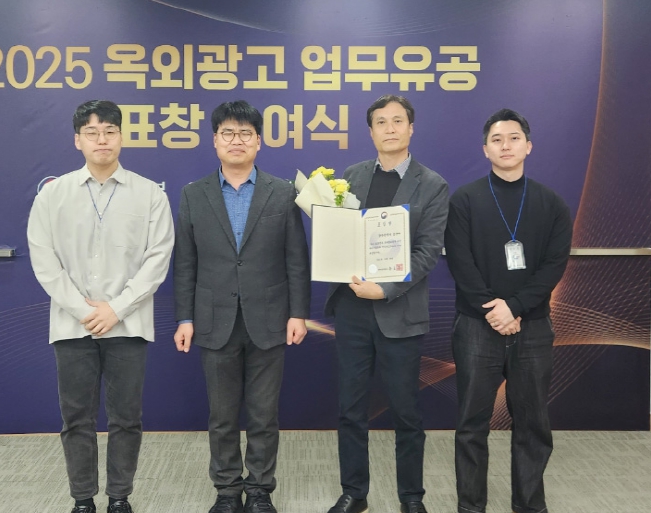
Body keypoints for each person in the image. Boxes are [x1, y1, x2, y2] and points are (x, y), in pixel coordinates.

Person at [27, 100, 174, 513]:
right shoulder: (53, 195)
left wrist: (116, 309)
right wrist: (83, 310)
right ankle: (82, 499)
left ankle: (120, 497)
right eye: (91, 133)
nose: (102, 139)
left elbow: (158, 258)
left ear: (122, 137)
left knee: (126, 417)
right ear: (78, 140)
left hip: (128, 325)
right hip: (72, 326)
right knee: (76, 418)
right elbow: (44, 260)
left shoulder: (149, 194)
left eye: (110, 131)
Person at [173, 100, 311, 513]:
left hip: (270, 317)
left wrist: (298, 313)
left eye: (246, 133)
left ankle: (260, 490)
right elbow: (185, 263)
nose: (237, 140)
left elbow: (296, 259)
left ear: (259, 141)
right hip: (214, 318)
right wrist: (185, 317)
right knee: (222, 415)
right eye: (228, 133)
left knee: (264, 414)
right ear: (215, 140)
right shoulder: (194, 194)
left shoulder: (282, 192)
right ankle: (228, 491)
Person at [324, 95, 449, 513]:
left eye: (398, 121)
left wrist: (387, 289)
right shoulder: (352, 176)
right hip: (352, 308)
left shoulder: (432, 184)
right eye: (381, 122)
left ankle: (411, 497)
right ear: (371, 131)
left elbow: (428, 252)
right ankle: (354, 492)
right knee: (350, 408)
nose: (390, 128)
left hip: (399, 311)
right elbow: (340, 236)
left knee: (406, 412)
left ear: (411, 128)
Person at [444, 108, 572, 513]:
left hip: (532, 327)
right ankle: (471, 506)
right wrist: (494, 310)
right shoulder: (464, 200)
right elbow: (460, 262)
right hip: (476, 326)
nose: (505, 146)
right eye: (496, 140)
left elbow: (553, 265)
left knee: (533, 425)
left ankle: (529, 505)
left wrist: (514, 307)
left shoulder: (551, 203)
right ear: (485, 149)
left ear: (528, 146)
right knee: (471, 425)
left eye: (514, 138)